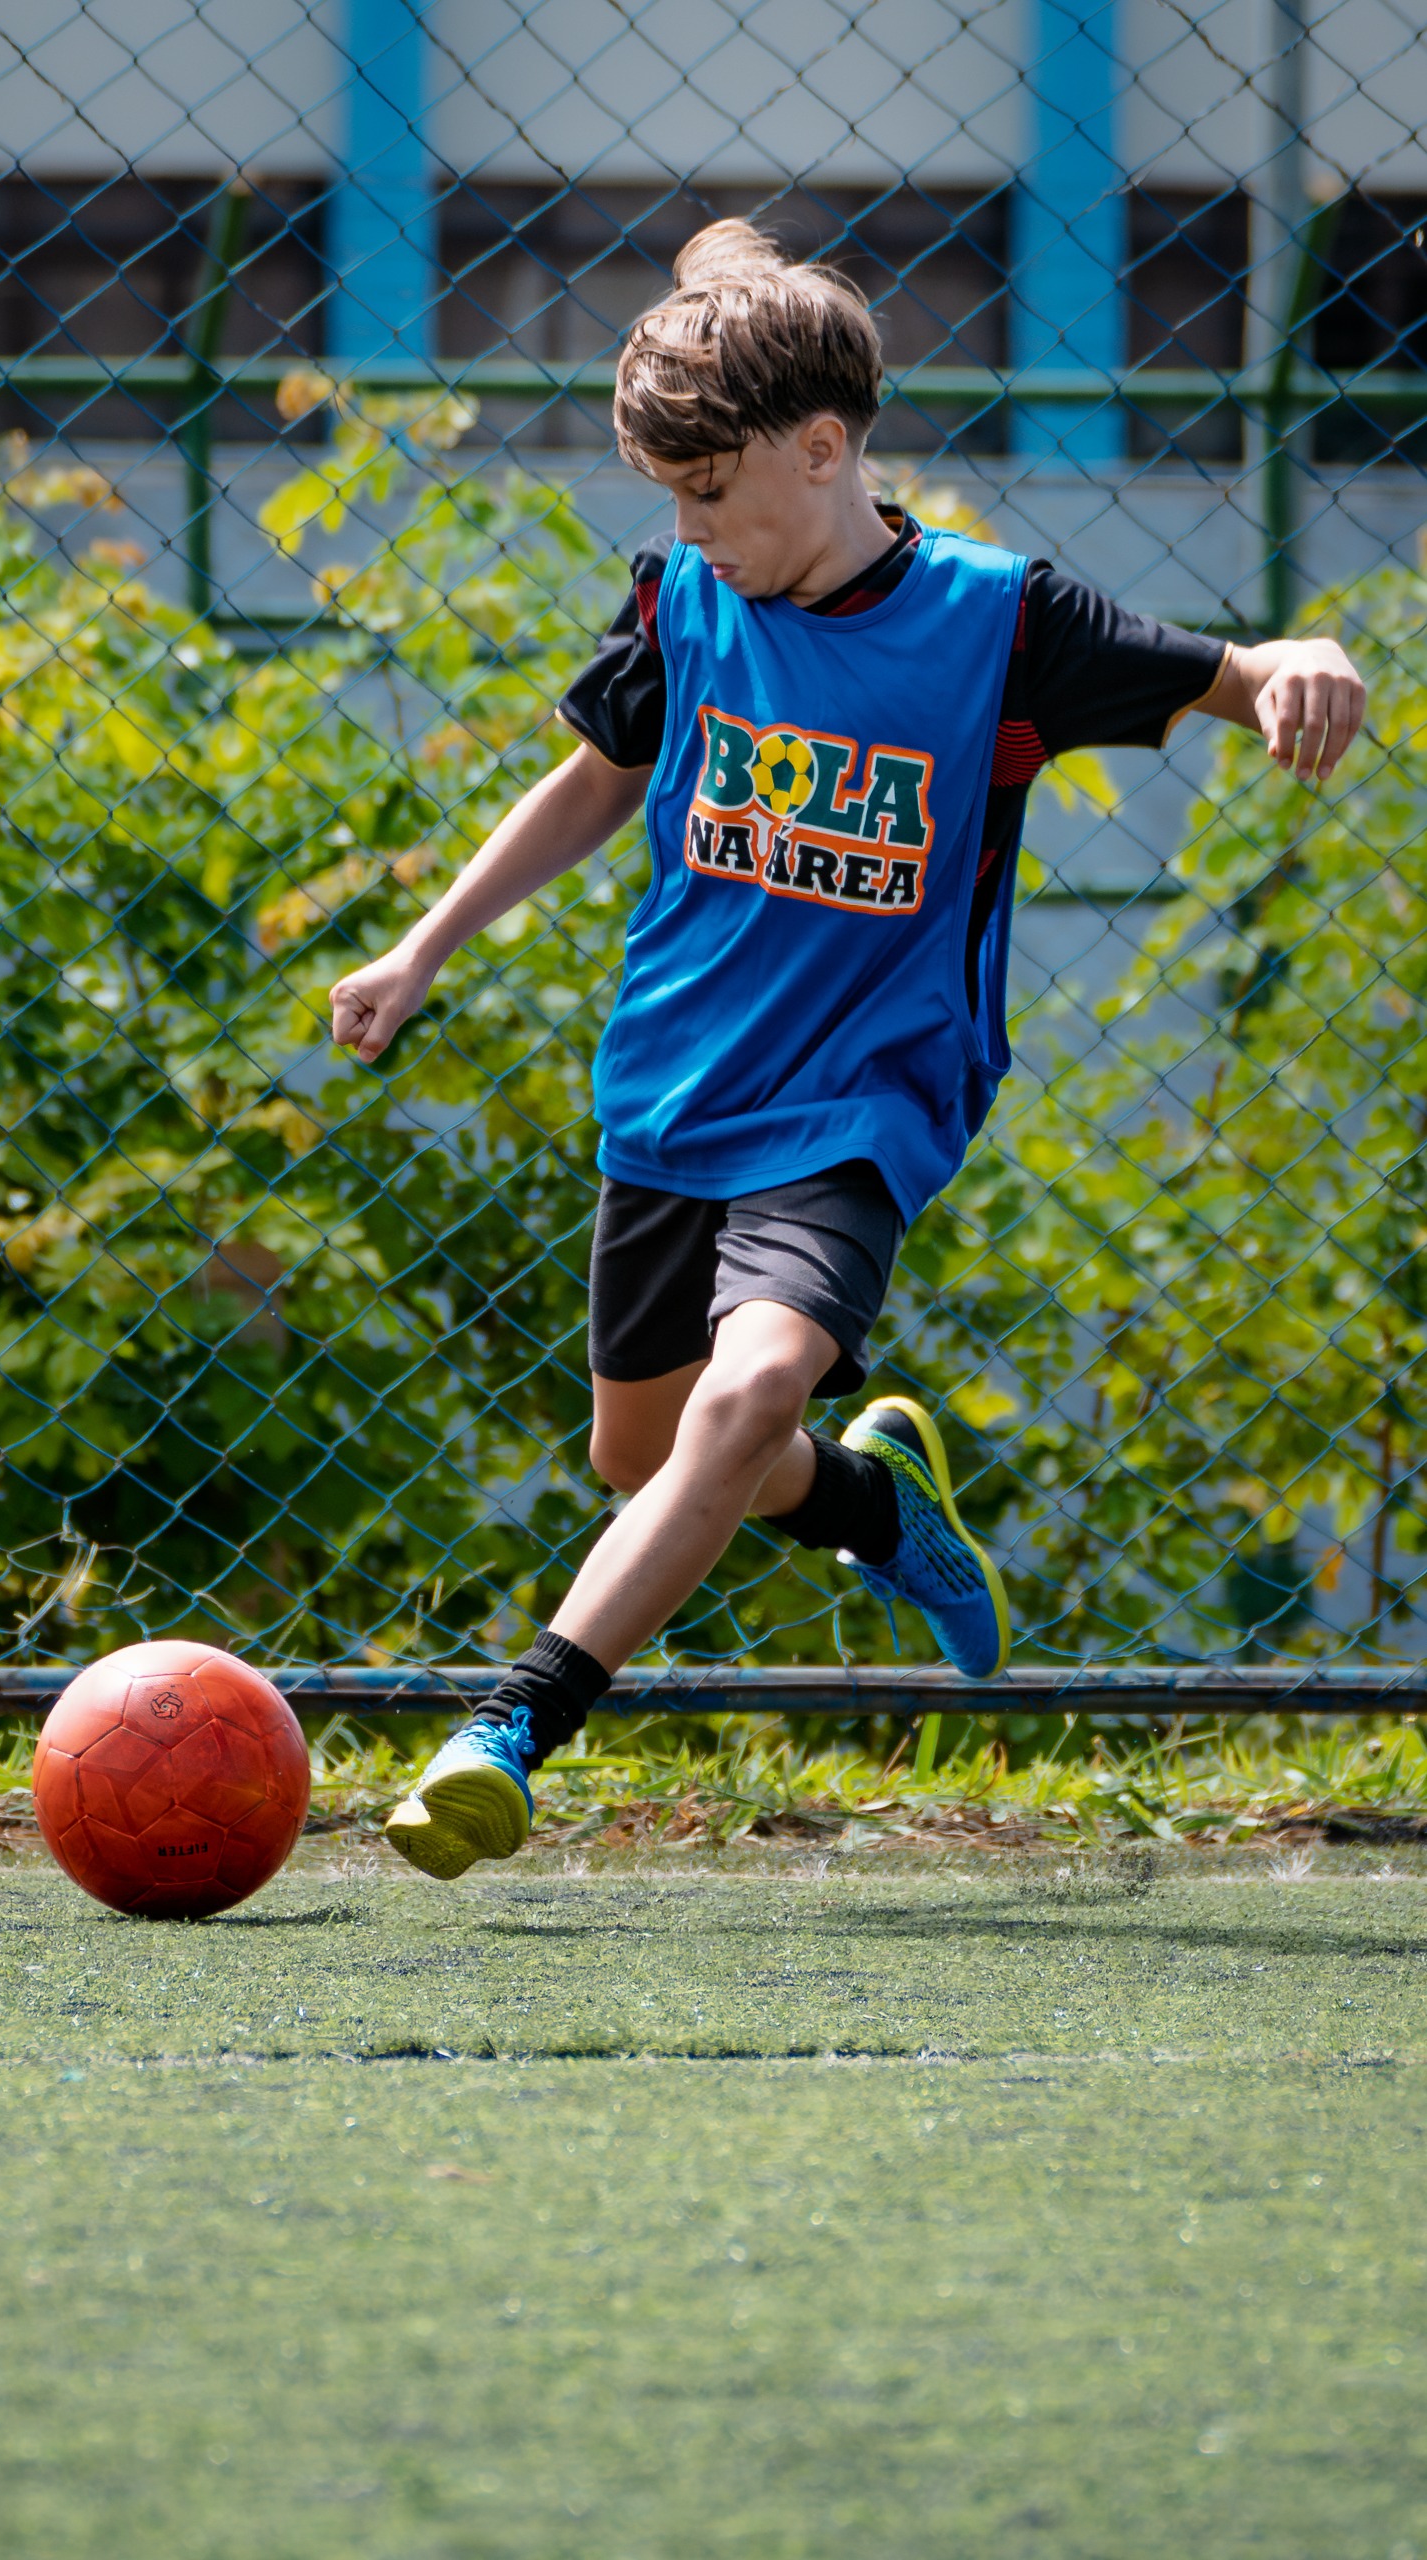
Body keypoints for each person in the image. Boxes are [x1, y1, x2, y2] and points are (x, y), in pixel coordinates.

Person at [329, 219, 1367, 1881]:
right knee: (648, 1453)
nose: (688, 535)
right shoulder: (683, 593)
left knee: (745, 1393)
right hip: (674, 1089)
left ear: (823, 452)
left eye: (711, 497)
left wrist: (1301, 660)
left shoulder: (998, 623)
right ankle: (874, 1507)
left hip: (864, 1100)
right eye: (667, 504)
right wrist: (422, 945)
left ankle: (509, 1727)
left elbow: (1243, 679)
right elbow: (598, 772)